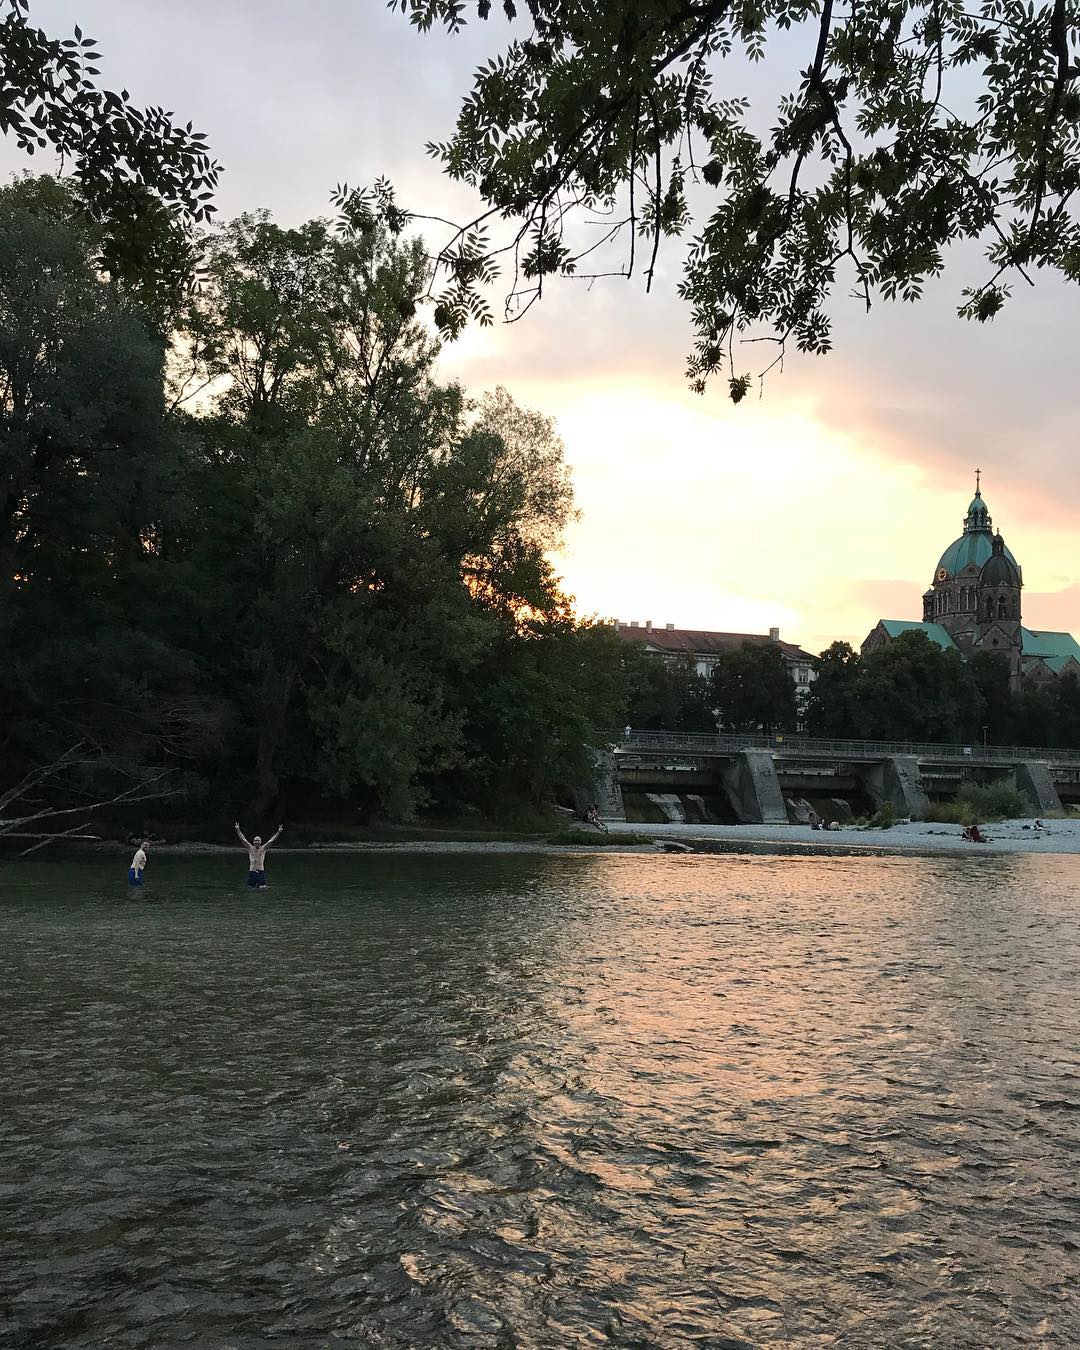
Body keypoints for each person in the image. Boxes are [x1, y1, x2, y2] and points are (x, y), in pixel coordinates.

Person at [235, 822, 283, 888]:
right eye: (255, 841)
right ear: (253, 841)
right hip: (252, 871)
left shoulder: (263, 848)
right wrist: (238, 830)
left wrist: (279, 832)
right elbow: (243, 839)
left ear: (260, 842)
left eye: (258, 841)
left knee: (263, 888)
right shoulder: (250, 848)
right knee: (251, 888)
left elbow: (271, 840)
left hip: (261, 871)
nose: (257, 842)